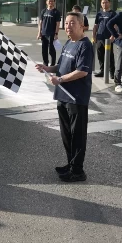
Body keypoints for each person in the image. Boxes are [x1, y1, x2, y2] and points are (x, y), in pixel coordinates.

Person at [35, 12, 93, 182]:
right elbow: (61, 65)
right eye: (66, 23)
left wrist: (59, 79)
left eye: (72, 23)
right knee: (67, 134)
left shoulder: (85, 45)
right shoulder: (69, 43)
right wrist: (48, 68)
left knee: (77, 135)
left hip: (76, 97)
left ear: (82, 25)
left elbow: (82, 71)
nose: (68, 26)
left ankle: (78, 171)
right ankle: (70, 164)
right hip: (63, 96)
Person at [92, 0, 116, 79]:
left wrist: (113, 35)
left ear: (110, 3)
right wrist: (94, 36)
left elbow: (116, 26)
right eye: (103, 3)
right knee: (100, 55)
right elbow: (96, 25)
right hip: (99, 37)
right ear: (101, 4)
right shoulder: (99, 14)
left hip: (108, 38)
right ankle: (102, 71)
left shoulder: (113, 13)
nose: (104, 4)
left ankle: (112, 72)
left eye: (106, 2)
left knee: (110, 56)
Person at [37, 0, 61, 66]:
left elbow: (58, 24)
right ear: (46, 2)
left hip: (52, 34)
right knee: (44, 50)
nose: (51, 2)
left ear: (54, 2)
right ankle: (45, 62)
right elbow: (40, 22)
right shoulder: (43, 11)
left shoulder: (56, 12)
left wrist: (56, 34)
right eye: (49, 1)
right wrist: (39, 32)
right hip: (44, 33)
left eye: (52, 1)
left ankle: (53, 63)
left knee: (51, 50)